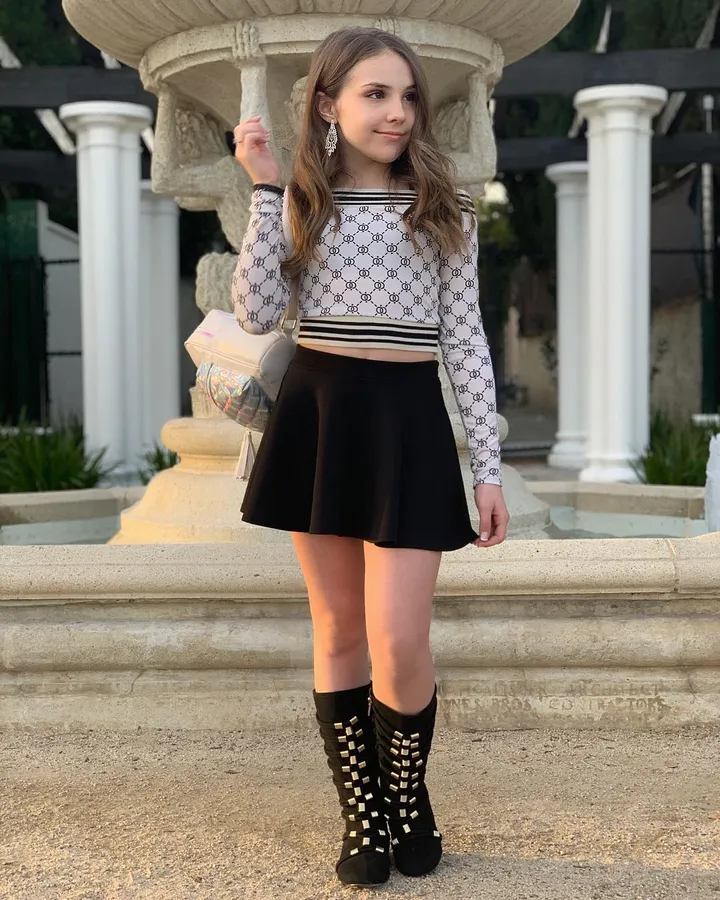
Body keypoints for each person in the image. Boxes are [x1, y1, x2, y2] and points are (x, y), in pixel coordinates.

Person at [231, 25, 510, 888]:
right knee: (340, 629)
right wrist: (264, 189)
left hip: (408, 421)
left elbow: (466, 340)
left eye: (408, 96)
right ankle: (363, 813)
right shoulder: (298, 204)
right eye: (375, 95)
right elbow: (254, 314)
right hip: (319, 415)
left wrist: (487, 467)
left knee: (399, 637)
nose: (397, 113)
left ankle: (407, 795)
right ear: (328, 104)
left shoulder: (444, 208)